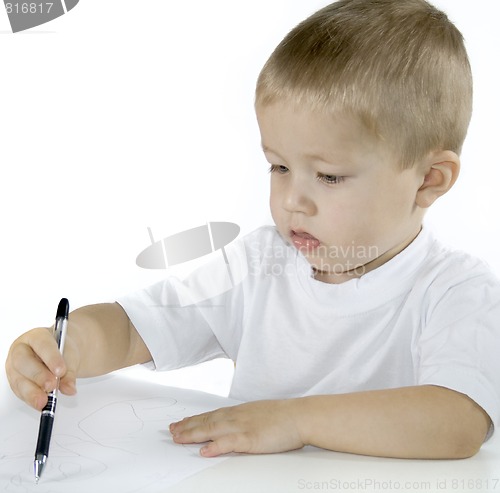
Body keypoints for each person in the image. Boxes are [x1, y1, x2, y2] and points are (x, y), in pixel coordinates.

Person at [6, 0, 500, 460]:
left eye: (328, 176)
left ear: (428, 180)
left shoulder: (455, 290)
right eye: (278, 167)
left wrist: (294, 422)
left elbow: (457, 420)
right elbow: (137, 327)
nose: (291, 201)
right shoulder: (258, 264)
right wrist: (65, 346)